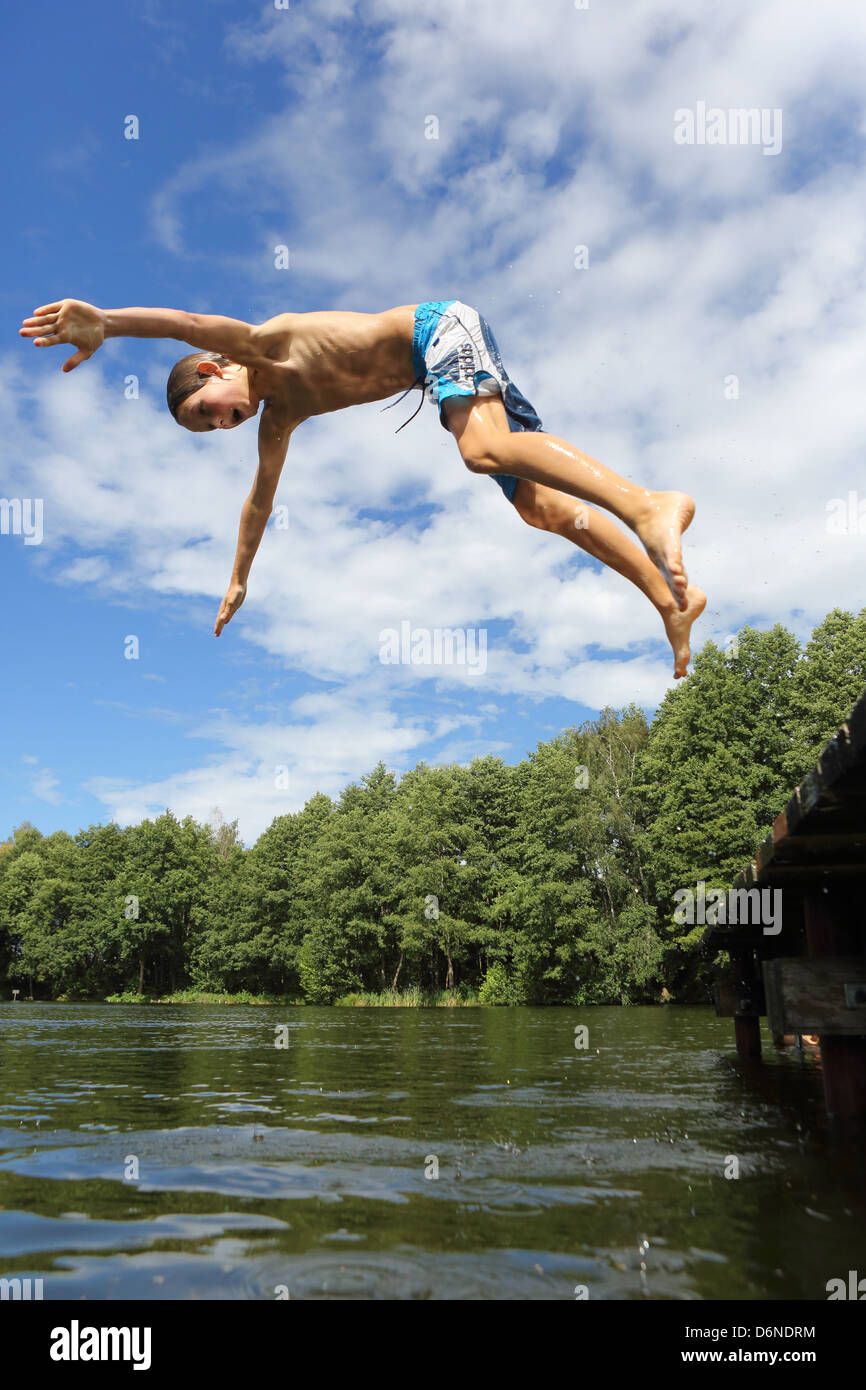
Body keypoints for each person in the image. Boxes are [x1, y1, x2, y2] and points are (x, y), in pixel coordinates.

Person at [20, 296, 705, 676]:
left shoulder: (261, 343)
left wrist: (110, 323)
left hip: (439, 331)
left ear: (211, 368)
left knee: (482, 450)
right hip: (439, 376)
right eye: (215, 432)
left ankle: (650, 503)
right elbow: (259, 501)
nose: (227, 423)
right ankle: (667, 597)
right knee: (538, 506)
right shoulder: (279, 419)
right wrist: (238, 578)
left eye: (212, 412)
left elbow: (189, 324)